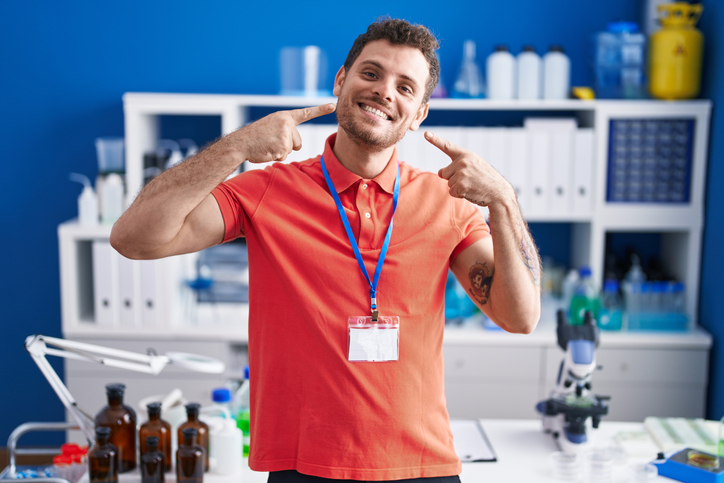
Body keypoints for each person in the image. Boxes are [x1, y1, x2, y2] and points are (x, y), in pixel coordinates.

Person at [111, 17, 541, 483]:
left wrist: (504, 199)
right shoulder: (267, 190)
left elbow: (519, 317)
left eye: (405, 86)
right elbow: (133, 238)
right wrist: (236, 147)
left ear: (419, 113)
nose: (384, 92)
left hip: (422, 466)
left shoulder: (446, 201)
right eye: (371, 74)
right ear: (341, 80)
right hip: (303, 467)